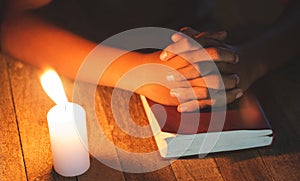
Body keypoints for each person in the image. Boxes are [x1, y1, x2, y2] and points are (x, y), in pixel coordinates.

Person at [1, 0, 299, 112]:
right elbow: (11, 22)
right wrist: (136, 70)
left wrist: (249, 60)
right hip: (79, 54)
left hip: (204, 46)